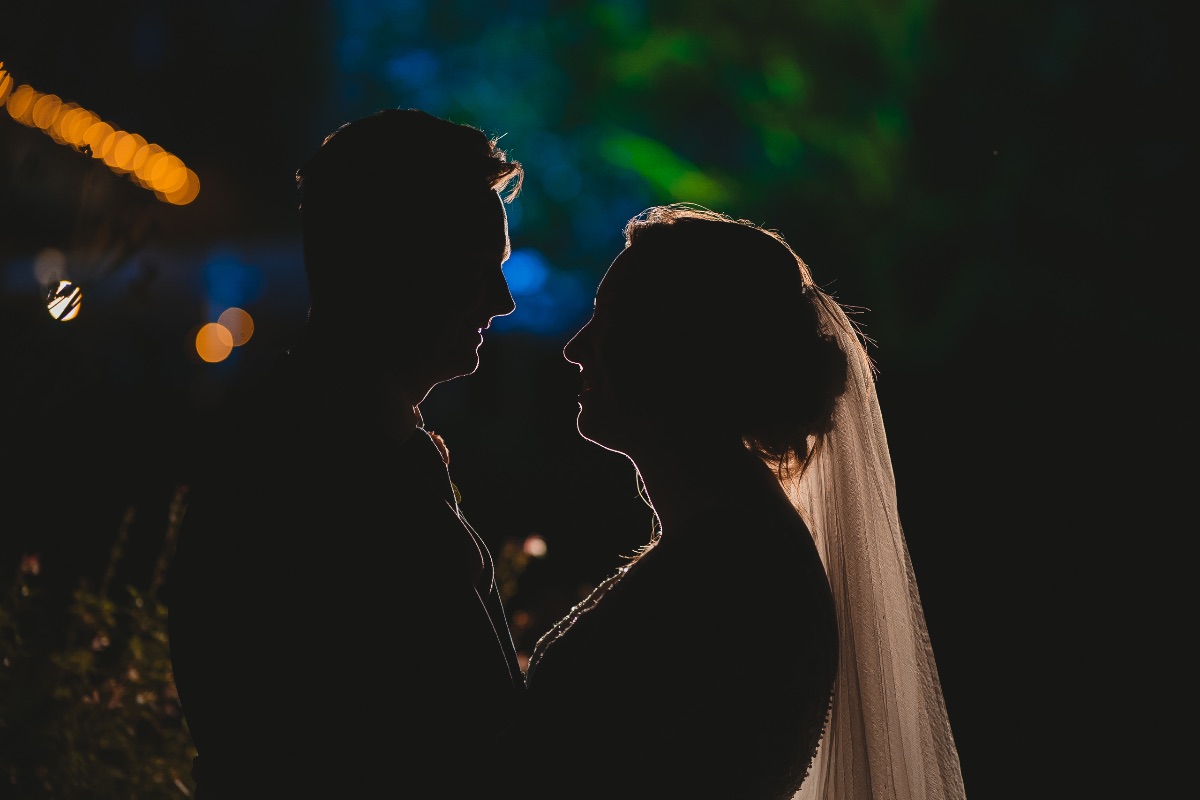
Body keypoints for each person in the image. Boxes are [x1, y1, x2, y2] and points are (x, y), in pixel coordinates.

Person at [517, 204, 966, 800]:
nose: (575, 348)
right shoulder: (724, 542)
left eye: (609, 321)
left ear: (683, 348)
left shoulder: (734, 567)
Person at [167, 109, 526, 798]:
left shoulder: (315, 432)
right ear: (394, 266)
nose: (503, 302)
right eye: (477, 270)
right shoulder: (311, 466)